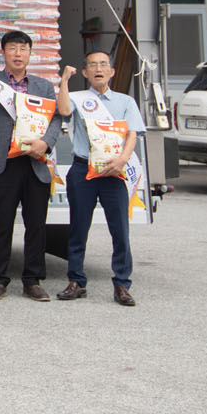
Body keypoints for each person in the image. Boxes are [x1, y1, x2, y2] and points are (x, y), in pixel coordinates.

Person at [0, 30, 64, 302]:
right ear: (4, 53)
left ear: (30, 54)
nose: (18, 54)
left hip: (35, 160)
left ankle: (33, 280)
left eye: (23, 48)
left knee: (36, 223)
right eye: (12, 48)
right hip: (4, 161)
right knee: (2, 222)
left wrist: (46, 143)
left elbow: (56, 118)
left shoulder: (44, 86)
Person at [59, 50, 143, 307]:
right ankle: (76, 281)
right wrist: (64, 80)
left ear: (112, 71)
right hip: (83, 169)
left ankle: (122, 284)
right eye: (92, 65)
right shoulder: (77, 98)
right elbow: (63, 110)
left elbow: (133, 134)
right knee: (78, 228)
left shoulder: (125, 101)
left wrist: (122, 160)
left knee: (120, 230)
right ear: (85, 73)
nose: (98, 69)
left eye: (103, 64)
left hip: (114, 171)